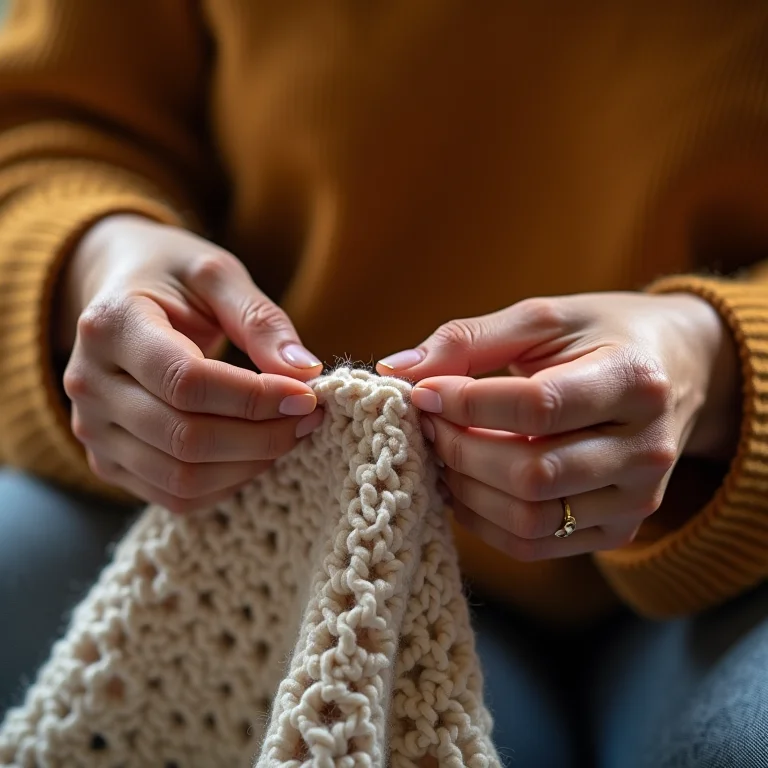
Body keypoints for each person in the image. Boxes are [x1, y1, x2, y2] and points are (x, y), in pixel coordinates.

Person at [1, 1, 768, 765]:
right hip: (267, 517)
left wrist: (718, 363)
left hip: (719, 567)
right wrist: (95, 265)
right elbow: (44, 128)